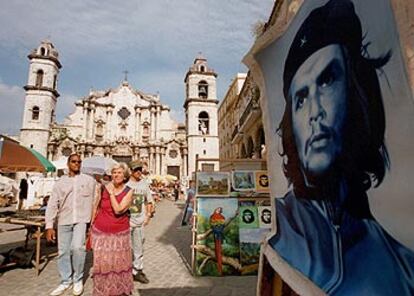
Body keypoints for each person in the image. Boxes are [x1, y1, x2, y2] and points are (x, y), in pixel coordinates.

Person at [269, 0, 414, 294]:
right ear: (290, 129)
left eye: (327, 81)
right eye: (300, 98)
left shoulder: (403, 266)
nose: (315, 112)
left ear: (358, 94)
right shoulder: (279, 230)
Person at [45, 153, 96, 296]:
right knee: (63, 251)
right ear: (68, 164)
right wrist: (49, 225)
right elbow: (52, 204)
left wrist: (92, 222)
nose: (77, 164)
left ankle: (78, 279)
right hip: (64, 220)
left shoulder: (89, 180)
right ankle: (65, 281)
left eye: (79, 162)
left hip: (81, 219)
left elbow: (95, 200)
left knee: (78, 248)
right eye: (73, 161)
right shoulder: (60, 182)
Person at [91, 162, 134, 295]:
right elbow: (96, 206)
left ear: (125, 175)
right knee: (102, 261)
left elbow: (119, 209)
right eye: (114, 172)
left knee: (118, 262)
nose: (116, 175)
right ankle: (103, 289)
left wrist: (111, 194)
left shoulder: (129, 191)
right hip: (100, 230)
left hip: (119, 232)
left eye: (119, 172)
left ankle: (118, 289)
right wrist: (91, 225)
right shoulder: (103, 188)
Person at [127, 160, 153, 284]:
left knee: (139, 247)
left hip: (139, 221)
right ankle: (124, 270)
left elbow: (149, 201)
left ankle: (138, 270)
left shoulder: (144, 184)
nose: (138, 172)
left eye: (140, 170)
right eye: (136, 170)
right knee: (125, 247)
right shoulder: (125, 183)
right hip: (126, 221)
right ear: (131, 171)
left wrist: (148, 216)